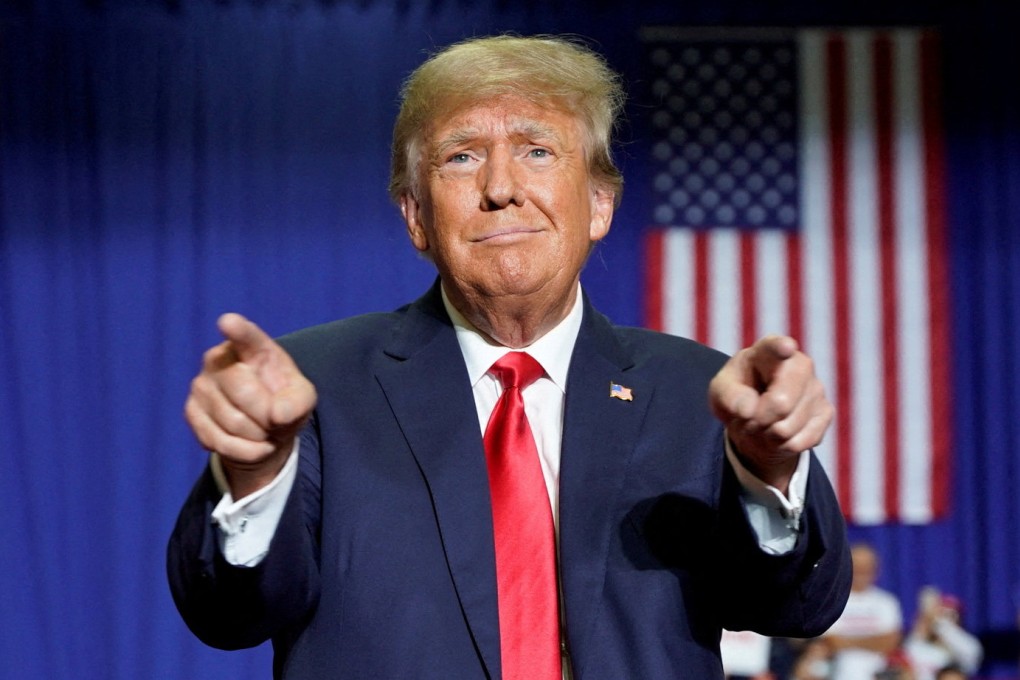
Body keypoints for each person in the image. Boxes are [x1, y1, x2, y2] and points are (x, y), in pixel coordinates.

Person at [167, 34, 852, 679]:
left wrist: (768, 469)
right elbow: (228, 615)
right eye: (461, 156)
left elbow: (795, 608)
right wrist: (254, 471)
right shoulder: (317, 388)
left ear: (600, 205)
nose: (501, 187)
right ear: (415, 217)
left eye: (538, 151)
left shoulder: (697, 394)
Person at [822, 542, 904, 680]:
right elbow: (832, 642)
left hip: (879, 675)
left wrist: (848, 641)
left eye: (867, 568)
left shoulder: (886, 602)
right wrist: (873, 641)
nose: (862, 573)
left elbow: (890, 642)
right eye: (858, 568)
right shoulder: (833, 601)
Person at [903, 588, 983, 680]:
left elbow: (967, 649)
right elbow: (908, 651)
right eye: (942, 614)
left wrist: (936, 620)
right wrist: (924, 619)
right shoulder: (918, 647)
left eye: (950, 615)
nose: (945, 619)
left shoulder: (969, 646)